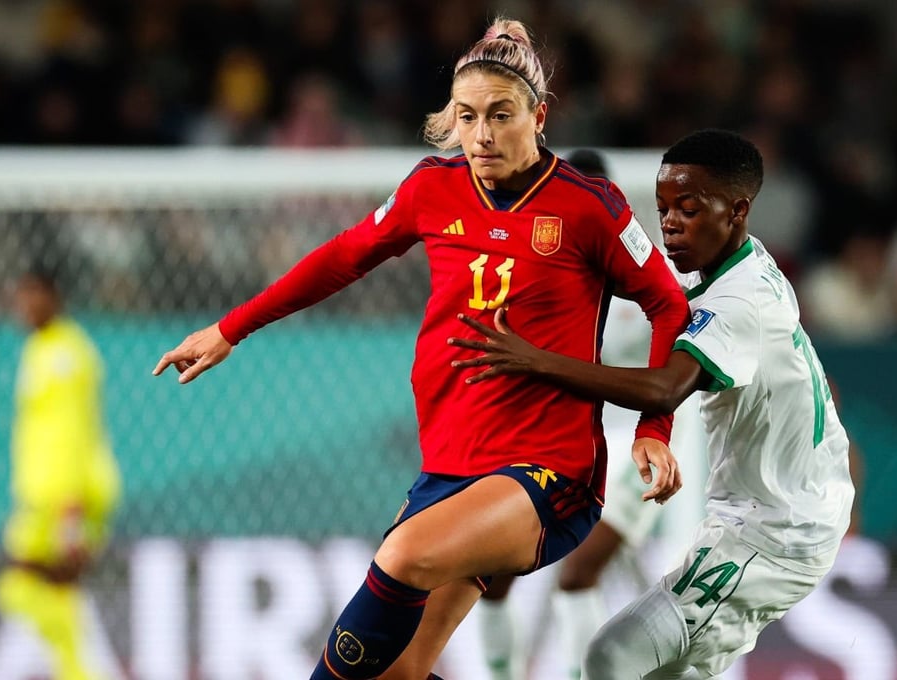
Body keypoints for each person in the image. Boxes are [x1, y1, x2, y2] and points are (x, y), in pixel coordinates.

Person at [152, 18, 691, 680]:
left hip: (550, 474)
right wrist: (230, 328)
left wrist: (654, 429)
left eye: (501, 114)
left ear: (539, 116)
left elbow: (669, 303)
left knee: (401, 556)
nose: (482, 134)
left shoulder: (588, 206)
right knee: (398, 672)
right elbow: (343, 256)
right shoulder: (433, 187)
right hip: (450, 466)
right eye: (467, 116)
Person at [450, 128, 855, 679]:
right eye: (664, 209)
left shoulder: (730, 300)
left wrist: (536, 362)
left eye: (689, 209)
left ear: (737, 211)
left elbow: (666, 387)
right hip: (755, 511)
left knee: (610, 649)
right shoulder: (739, 264)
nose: (670, 223)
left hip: (768, 528)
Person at [476, 149, 706, 680]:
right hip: (566, 441)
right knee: (494, 573)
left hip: (637, 444)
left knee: (578, 573)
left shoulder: (651, 268)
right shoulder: (538, 270)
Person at [0, 267, 123, 680]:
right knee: (54, 596)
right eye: (21, 295)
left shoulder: (66, 355)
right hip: (43, 497)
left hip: (64, 498)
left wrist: (71, 510)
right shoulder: (40, 349)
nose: (25, 305)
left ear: (54, 296)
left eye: (34, 295)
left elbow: (72, 434)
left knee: (22, 587)